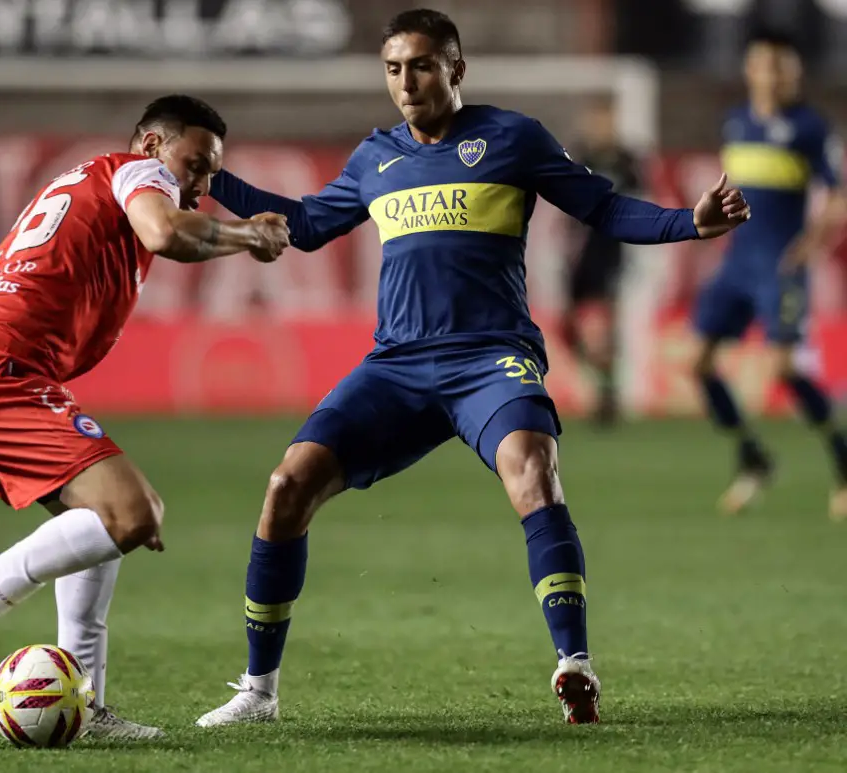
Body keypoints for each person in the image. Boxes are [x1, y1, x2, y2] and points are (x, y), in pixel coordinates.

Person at [193, 8, 749, 728]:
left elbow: (603, 209)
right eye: (393, 69)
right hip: (396, 365)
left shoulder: (512, 138)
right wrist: (213, 179)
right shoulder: (376, 157)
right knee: (285, 486)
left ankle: (574, 665)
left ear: (455, 68)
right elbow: (304, 224)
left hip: (490, 359)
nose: (406, 82)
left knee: (534, 471)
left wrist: (689, 222)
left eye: (421, 65)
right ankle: (258, 691)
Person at [0, 95, 290, 741]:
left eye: (207, 174)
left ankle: (84, 706)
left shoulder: (95, 179)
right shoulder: (138, 173)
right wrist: (247, 234)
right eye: (193, 164)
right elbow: (166, 233)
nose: (198, 185)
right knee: (133, 514)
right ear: (151, 145)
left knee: (101, 521)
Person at [690, 29, 847, 518]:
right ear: (750, 71)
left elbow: (838, 194)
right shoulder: (735, 123)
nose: (772, 75)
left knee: (782, 368)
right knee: (698, 363)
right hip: (737, 263)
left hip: (780, 267)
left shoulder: (809, 128)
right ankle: (753, 457)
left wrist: (810, 244)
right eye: (764, 65)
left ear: (794, 73)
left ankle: (843, 463)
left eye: (782, 66)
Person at [560, 98, 642, 426]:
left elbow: (644, 202)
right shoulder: (580, 157)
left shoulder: (627, 160)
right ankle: (601, 384)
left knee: (606, 327)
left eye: (606, 120)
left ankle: (608, 395)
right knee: (571, 330)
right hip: (579, 253)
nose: (601, 127)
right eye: (596, 120)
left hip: (613, 252)